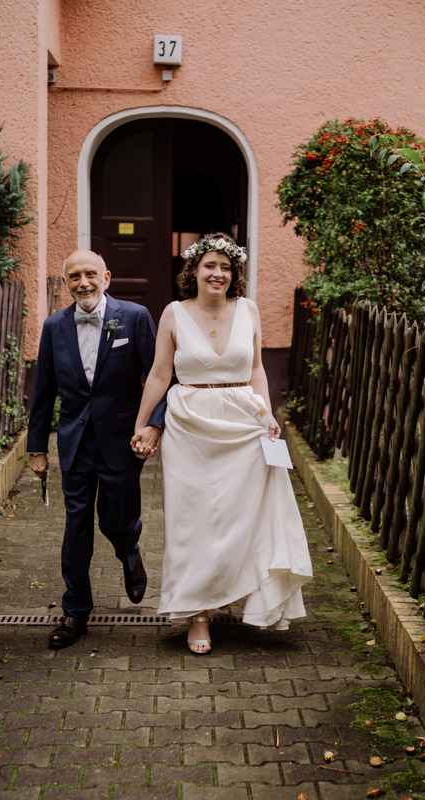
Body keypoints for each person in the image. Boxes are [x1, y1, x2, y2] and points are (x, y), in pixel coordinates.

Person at [131, 233, 313, 654]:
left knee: (247, 515)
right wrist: (142, 424)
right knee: (192, 520)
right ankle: (197, 615)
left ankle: (256, 598)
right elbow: (160, 375)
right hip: (190, 424)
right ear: (193, 271)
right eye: (210, 265)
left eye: (226, 268)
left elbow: (257, 369)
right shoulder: (174, 314)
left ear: (235, 274)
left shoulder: (248, 309)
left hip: (242, 422)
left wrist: (267, 411)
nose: (218, 274)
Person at [27, 249, 165, 649]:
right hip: (74, 442)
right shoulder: (54, 326)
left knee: (116, 520)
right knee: (77, 526)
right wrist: (37, 447)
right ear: (66, 283)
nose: (83, 283)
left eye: (90, 275)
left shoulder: (135, 317)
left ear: (107, 277)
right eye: (74, 277)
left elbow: (160, 376)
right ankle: (75, 611)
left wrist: (153, 425)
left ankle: (130, 550)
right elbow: (43, 391)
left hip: (122, 441)